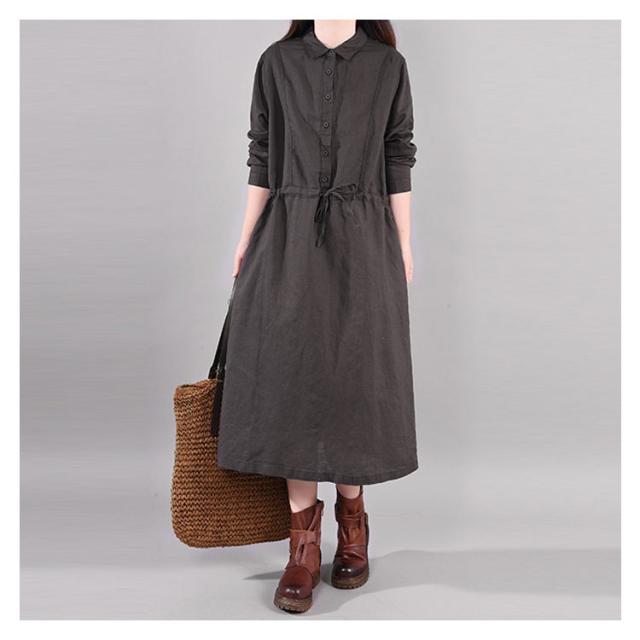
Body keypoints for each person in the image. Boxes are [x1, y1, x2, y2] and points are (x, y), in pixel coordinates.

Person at [217, 19, 418, 613]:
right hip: (287, 234)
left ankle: (353, 524)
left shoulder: (387, 66)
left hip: (365, 235)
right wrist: (246, 235)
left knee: (354, 377)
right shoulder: (277, 62)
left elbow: (397, 153)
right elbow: (262, 151)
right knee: (291, 378)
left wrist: (404, 244)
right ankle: (302, 545)